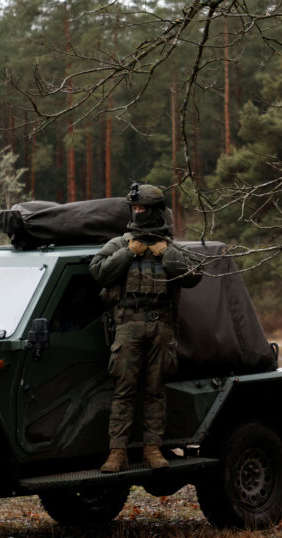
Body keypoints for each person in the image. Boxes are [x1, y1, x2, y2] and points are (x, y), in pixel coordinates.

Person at [89, 183, 201, 473]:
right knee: (123, 390)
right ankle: (117, 453)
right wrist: (129, 253)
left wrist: (166, 254)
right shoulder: (120, 244)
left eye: (142, 208)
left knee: (155, 391)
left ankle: (153, 449)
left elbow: (194, 274)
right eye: (134, 208)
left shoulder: (171, 247)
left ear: (154, 212)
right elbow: (98, 271)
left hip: (161, 326)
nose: (137, 213)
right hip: (128, 326)